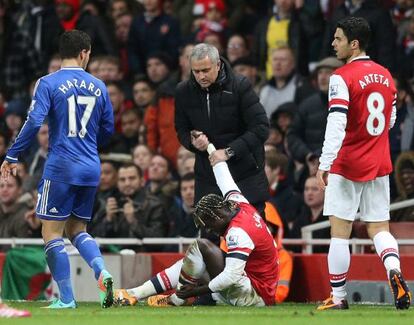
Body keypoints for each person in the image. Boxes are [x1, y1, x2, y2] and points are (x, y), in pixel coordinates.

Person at [0, 30, 115, 309]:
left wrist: (13, 154)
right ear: (84, 53)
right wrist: (88, 146)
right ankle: (101, 269)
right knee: (78, 229)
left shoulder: (48, 83)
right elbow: (108, 128)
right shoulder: (99, 86)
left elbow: (34, 121)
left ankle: (66, 299)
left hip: (61, 166)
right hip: (90, 167)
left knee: (51, 233)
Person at [316, 17, 411, 310]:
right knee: (380, 227)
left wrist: (325, 162)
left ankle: (339, 297)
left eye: (338, 39)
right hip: (379, 162)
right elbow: (391, 121)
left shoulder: (341, 77)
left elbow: (336, 122)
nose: (334, 43)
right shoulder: (386, 76)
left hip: (347, 164)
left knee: (339, 233)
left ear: (353, 44)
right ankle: (394, 270)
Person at [114, 141, 279, 307]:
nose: (209, 230)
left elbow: (231, 277)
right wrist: (210, 148)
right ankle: (134, 294)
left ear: (217, 216)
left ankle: (178, 299)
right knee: (193, 262)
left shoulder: (238, 232)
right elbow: (224, 177)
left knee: (201, 246)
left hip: (256, 297)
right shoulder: (237, 202)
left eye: (208, 225)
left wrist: (193, 291)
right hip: (252, 283)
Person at [175, 43, 269, 218]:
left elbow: (261, 128)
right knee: (209, 240)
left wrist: (228, 152)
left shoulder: (240, 86)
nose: (201, 76)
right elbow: (181, 130)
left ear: (218, 65)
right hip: (207, 176)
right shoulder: (183, 92)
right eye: (196, 72)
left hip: (245, 174)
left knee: (250, 237)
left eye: (205, 70)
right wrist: (193, 141)